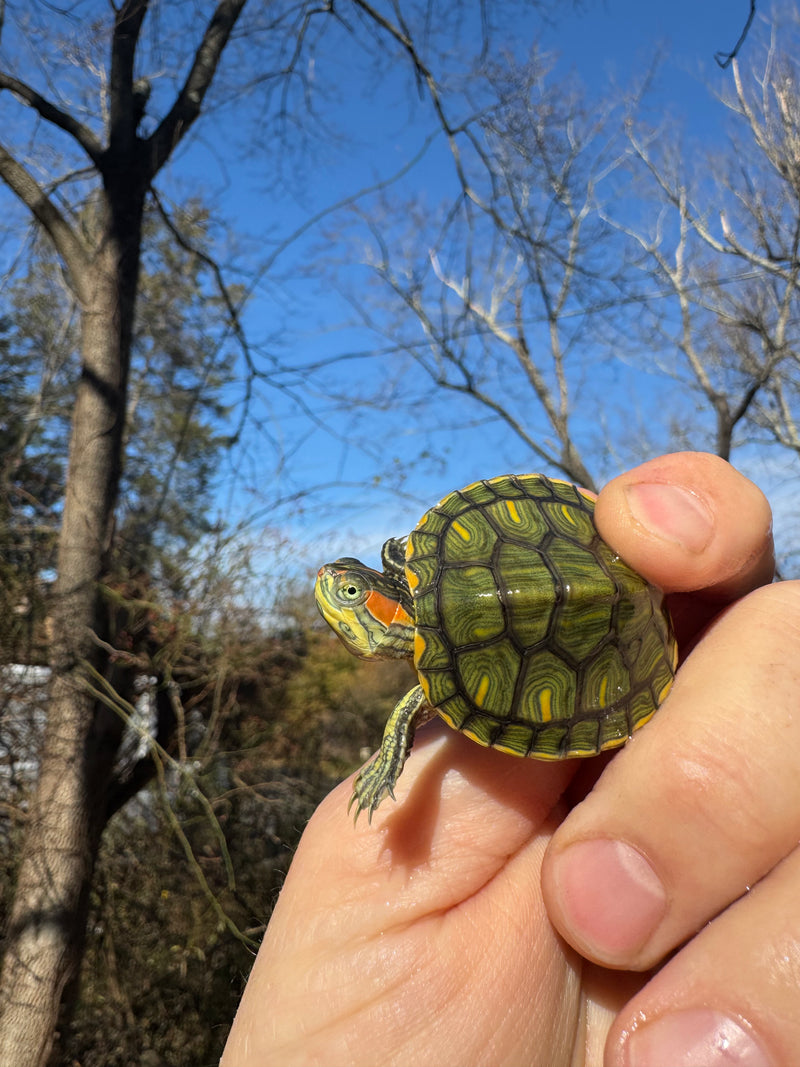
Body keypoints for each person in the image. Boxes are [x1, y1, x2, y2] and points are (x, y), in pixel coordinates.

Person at [222, 452, 798, 1067]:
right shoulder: (434, 581)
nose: (338, 592)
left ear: (387, 604)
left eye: (352, 591)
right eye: (349, 590)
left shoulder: (437, 685)